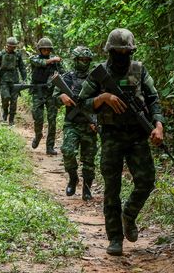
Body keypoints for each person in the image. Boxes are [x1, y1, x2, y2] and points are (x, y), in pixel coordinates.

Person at [79, 28, 164, 256]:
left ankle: (129, 215)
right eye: (116, 52)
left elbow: (154, 99)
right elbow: (82, 103)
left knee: (146, 181)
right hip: (111, 136)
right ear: (109, 52)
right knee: (112, 189)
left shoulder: (139, 70)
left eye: (125, 52)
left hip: (137, 135)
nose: (121, 55)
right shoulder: (99, 73)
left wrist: (158, 125)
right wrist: (103, 98)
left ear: (131, 51)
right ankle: (115, 238)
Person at [54, 46, 98, 200]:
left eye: (87, 60)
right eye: (81, 59)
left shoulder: (95, 79)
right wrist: (61, 97)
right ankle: (73, 178)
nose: (84, 62)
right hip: (71, 123)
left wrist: (96, 121)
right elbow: (54, 97)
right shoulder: (67, 77)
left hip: (89, 123)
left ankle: (87, 188)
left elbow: (101, 103)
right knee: (68, 151)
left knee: (89, 158)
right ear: (75, 60)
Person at [29, 37, 64, 155]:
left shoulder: (56, 63)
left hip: (51, 94)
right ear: (40, 50)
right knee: (38, 118)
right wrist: (53, 60)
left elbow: (63, 75)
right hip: (38, 92)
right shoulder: (35, 58)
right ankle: (38, 135)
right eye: (44, 50)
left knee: (52, 120)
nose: (46, 52)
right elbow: (40, 63)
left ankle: (50, 146)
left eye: (48, 50)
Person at [0, 37, 27, 125]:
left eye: (13, 47)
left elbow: (22, 67)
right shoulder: (0, 54)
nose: (11, 48)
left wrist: (24, 79)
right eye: (10, 47)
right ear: (7, 46)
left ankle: (11, 119)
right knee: (5, 97)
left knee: (14, 100)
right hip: (3, 79)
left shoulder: (18, 55)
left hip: (15, 80)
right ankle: (5, 112)